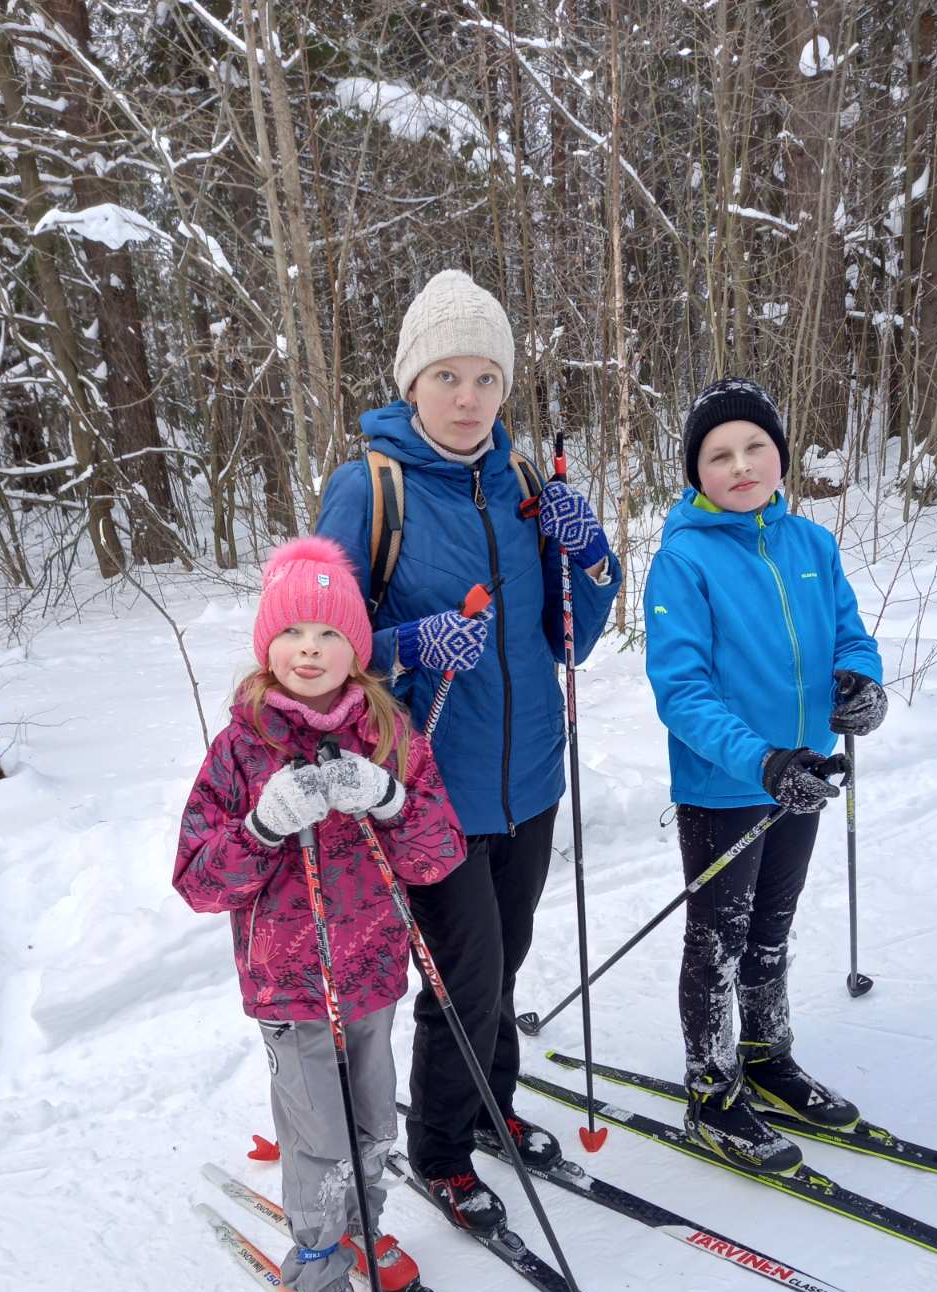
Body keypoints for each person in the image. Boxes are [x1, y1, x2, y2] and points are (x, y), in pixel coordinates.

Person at [318, 270, 621, 1232]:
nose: (467, 397)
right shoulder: (371, 490)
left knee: (508, 958)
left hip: (529, 777)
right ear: (412, 383)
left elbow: (572, 636)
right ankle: (444, 1150)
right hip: (428, 792)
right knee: (463, 978)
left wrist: (591, 557)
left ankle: (491, 1105)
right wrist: (409, 647)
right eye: (446, 374)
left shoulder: (528, 485)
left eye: (486, 376)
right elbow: (315, 649)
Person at [173, 537, 465, 1292]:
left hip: (372, 971)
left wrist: (392, 798)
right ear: (269, 644)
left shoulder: (388, 731)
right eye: (294, 630)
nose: (310, 647)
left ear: (357, 649)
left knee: (375, 1121)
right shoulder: (240, 748)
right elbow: (197, 879)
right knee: (319, 1137)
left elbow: (437, 854)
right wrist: (261, 825)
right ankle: (319, 1263)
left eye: (330, 632)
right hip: (291, 986)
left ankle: (364, 1228)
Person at [643, 378, 887, 1175]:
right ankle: (712, 1091)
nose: (740, 466)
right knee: (720, 939)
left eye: (754, 448)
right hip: (726, 785)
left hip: (806, 773)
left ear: (780, 455)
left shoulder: (812, 544)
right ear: (695, 470)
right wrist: (761, 759)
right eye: (719, 455)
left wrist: (859, 681)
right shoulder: (683, 559)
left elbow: (850, 633)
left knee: (772, 932)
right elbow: (681, 691)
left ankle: (767, 1056)